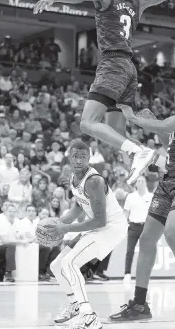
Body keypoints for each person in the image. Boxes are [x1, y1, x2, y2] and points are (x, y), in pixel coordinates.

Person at [33, 0, 175, 185]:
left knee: (87, 123)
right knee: (116, 133)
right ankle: (161, 161)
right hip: (130, 69)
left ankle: (137, 151)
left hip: (112, 64)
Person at [109, 78, 175, 322]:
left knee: (173, 232)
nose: (174, 95)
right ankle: (140, 305)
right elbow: (169, 142)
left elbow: (163, 124)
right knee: (147, 238)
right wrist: (155, 126)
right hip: (169, 181)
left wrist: (133, 117)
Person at [46, 140, 128, 329]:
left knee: (70, 263)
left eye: (83, 157)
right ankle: (75, 305)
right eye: (75, 156)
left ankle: (89, 316)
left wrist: (65, 229)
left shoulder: (94, 181)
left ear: (89, 158)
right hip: (97, 227)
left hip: (112, 228)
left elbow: (100, 220)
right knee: (56, 265)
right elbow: (78, 207)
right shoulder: (73, 178)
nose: (78, 161)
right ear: (69, 157)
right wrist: (57, 225)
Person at [123, 176, 153, 284]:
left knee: (145, 252)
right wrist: (122, 224)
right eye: (138, 181)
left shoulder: (151, 196)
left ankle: (144, 274)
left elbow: (153, 213)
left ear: (145, 183)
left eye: (142, 181)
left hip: (146, 227)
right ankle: (127, 274)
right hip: (133, 226)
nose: (140, 182)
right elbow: (126, 213)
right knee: (129, 250)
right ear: (136, 184)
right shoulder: (130, 197)